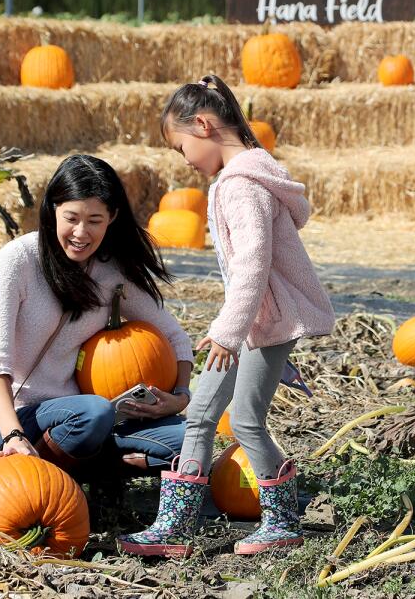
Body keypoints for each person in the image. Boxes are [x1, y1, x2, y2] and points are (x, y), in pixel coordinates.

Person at [119, 75, 334, 558]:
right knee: (198, 415)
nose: (186, 160)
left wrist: (228, 333)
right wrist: (231, 330)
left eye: (182, 148)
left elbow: (254, 267)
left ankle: (282, 520)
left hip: (260, 326)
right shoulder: (241, 179)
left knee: (246, 422)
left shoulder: (242, 185)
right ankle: (176, 527)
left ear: (203, 124)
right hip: (248, 326)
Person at [0, 154, 194, 479]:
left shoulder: (111, 272)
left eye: (95, 220)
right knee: (94, 411)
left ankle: (87, 468)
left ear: (112, 217)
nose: (81, 232)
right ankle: (32, 474)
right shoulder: (18, 260)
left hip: (82, 419)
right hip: (15, 419)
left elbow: (175, 338)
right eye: (71, 218)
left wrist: (179, 397)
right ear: (53, 210)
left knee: (188, 441)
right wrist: (12, 435)